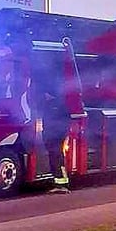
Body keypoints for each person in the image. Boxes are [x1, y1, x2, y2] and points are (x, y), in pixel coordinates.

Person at [32, 61, 71, 194]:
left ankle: (62, 184)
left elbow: (62, 121)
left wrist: (57, 134)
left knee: (57, 158)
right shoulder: (52, 105)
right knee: (54, 158)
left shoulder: (57, 105)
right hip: (52, 136)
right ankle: (58, 182)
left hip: (56, 136)